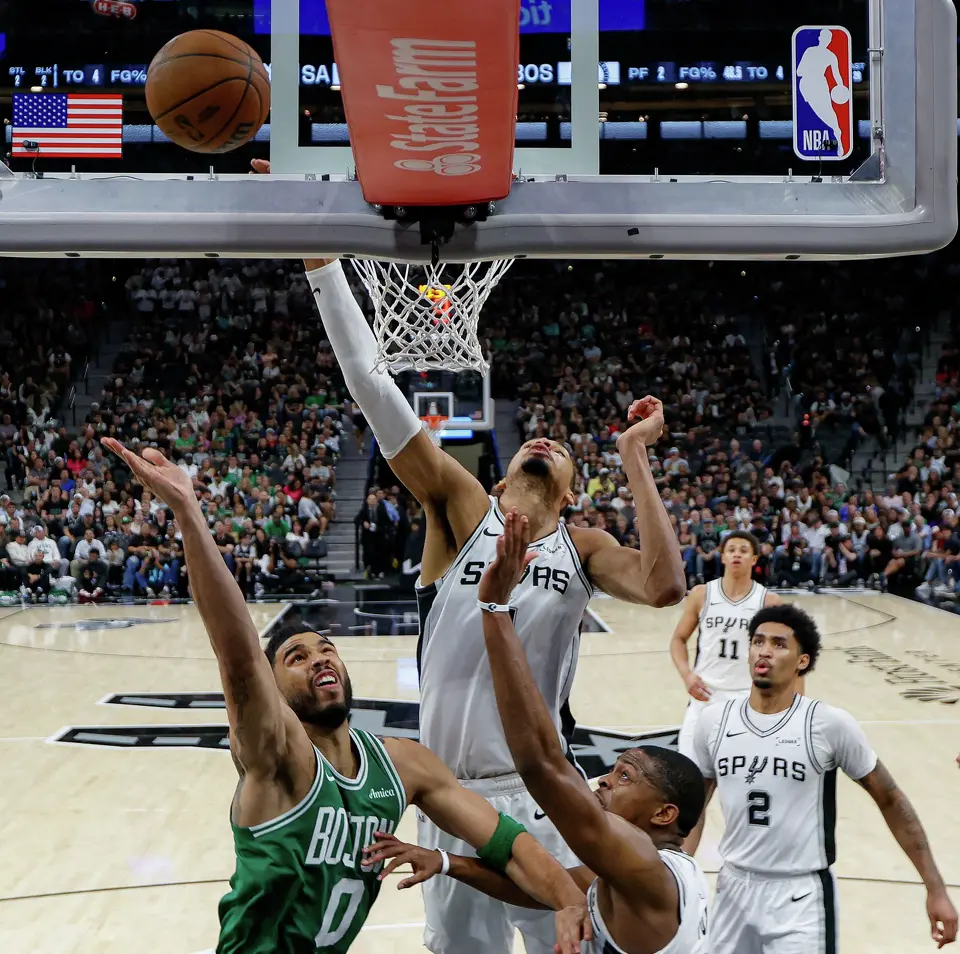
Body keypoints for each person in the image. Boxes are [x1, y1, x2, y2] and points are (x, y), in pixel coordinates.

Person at [278, 228, 684, 952]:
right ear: (499, 482)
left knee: (567, 943)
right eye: (535, 442)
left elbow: (664, 585)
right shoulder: (463, 509)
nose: (546, 441)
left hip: (543, 790)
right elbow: (372, 385)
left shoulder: (583, 548)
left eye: (561, 450)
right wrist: (321, 261)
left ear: (572, 491)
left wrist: (633, 455)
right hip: (450, 795)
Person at [100, 437, 587, 954]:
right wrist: (189, 515)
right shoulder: (276, 756)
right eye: (297, 658)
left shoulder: (403, 766)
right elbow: (239, 654)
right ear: (274, 692)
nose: (320, 659)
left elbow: (508, 844)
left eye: (325, 649)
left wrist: (568, 900)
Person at [365, 510, 709, 954]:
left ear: (664, 814)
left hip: (508, 781)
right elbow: (542, 888)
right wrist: (448, 861)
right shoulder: (638, 868)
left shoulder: (639, 863)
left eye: (625, 777)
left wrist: (494, 608)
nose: (603, 778)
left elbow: (542, 763)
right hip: (472, 794)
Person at [691, 603, 957, 953]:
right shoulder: (714, 721)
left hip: (800, 897)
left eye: (779, 644)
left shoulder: (829, 724)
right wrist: (671, 871)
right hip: (732, 887)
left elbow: (890, 799)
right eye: (758, 641)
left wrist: (935, 887)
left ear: (803, 661)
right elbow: (693, 806)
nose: (765, 651)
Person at [669, 531, 781, 853]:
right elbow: (678, 640)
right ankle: (684, 865)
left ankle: (744, 862)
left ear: (754, 559)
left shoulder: (768, 602)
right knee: (690, 792)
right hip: (703, 702)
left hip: (745, 708)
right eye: (731, 549)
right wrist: (687, 675)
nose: (736, 554)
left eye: (744, 550)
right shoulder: (703, 594)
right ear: (722, 555)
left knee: (742, 795)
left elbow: (785, 657)